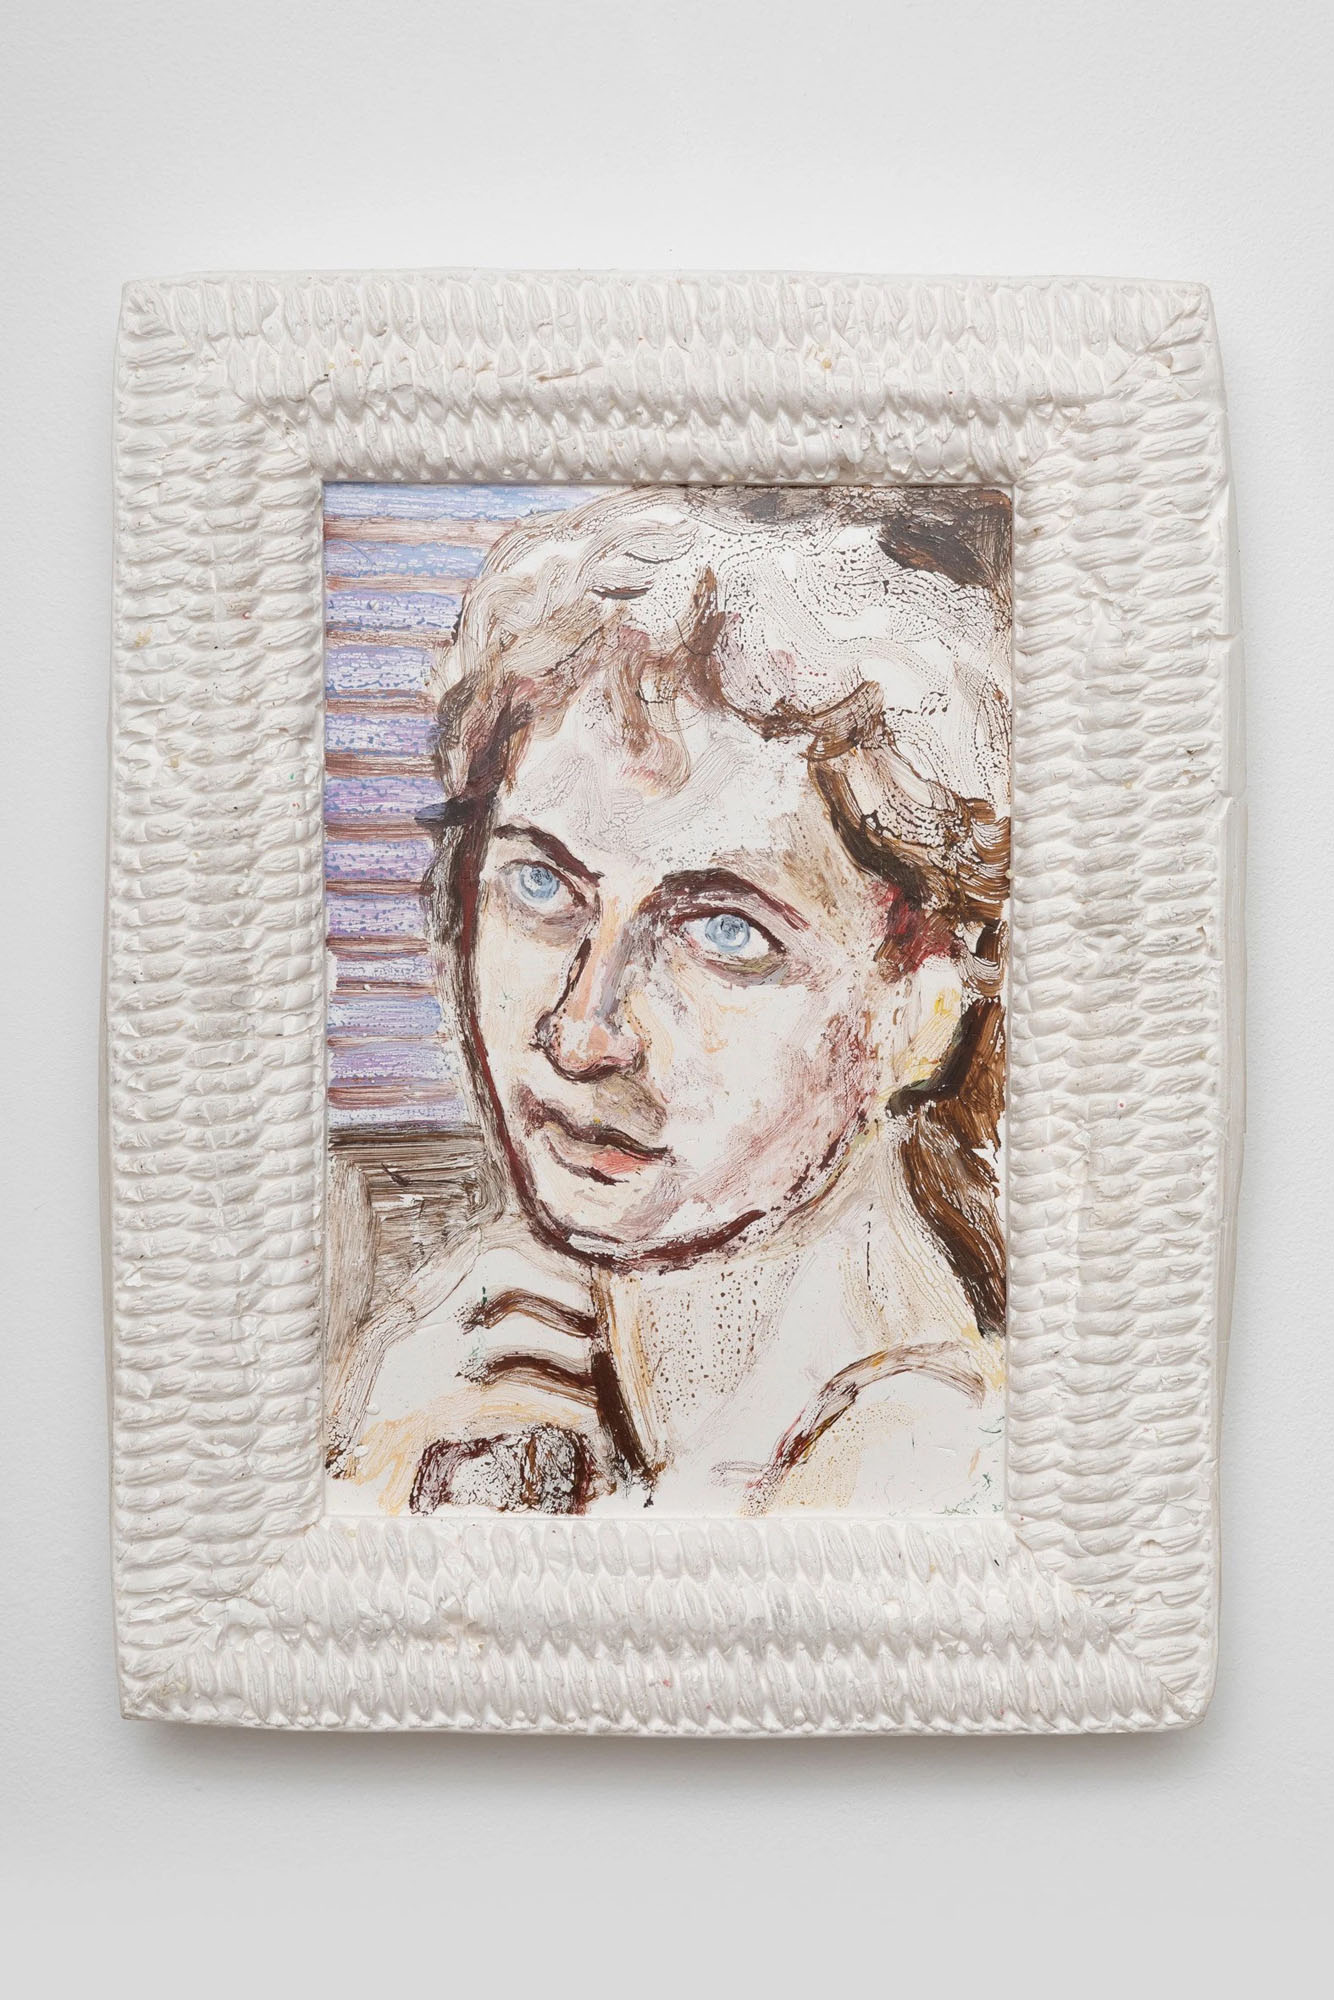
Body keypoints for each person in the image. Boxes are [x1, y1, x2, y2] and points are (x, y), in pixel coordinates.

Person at [326, 485, 1010, 1516]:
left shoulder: (924, 1466)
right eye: (541, 885)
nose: (580, 1032)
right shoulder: (477, 1351)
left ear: (923, 1009)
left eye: (723, 932)